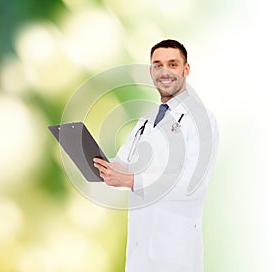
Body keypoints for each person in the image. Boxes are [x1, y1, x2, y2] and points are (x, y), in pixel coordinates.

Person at [93, 39, 219, 272]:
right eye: (158, 65)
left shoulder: (201, 119)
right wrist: (95, 161)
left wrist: (132, 181)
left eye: (173, 64)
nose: (164, 72)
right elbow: (122, 164)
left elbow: (193, 185)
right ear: (151, 71)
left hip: (175, 253)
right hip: (139, 251)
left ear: (186, 69)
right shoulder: (145, 121)